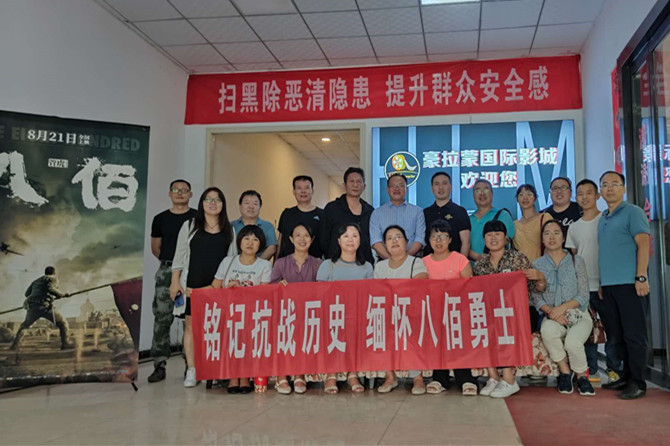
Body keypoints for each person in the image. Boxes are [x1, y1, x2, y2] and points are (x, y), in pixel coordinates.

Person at [170, 187, 236, 388]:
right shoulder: (190, 225)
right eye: (208, 199)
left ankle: (214, 368)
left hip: (218, 287)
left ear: (223, 204)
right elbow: (179, 256)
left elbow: (232, 260)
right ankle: (192, 369)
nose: (213, 203)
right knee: (191, 327)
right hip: (193, 284)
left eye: (217, 200)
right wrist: (175, 282)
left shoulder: (229, 229)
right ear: (202, 203)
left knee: (217, 327)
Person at [473, 220, 544, 398]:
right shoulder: (480, 265)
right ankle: (493, 377)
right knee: (481, 322)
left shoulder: (518, 259)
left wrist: (540, 278)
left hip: (519, 312)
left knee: (502, 325)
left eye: (498, 234)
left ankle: (509, 380)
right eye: (489, 234)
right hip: (490, 312)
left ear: (506, 238)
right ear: (484, 239)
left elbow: (533, 288)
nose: (493, 238)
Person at [597, 171, 650, 400]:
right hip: (609, 287)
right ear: (601, 190)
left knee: (634, 334)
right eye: (605, 184)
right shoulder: (604, 218)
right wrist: (602, 283)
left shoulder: (633, 212)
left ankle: (638, 382)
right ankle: (626, 377)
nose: (609, 188)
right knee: (617, 335)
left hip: (630, 284)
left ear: (624, 188)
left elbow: (644, 244)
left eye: (615, 184)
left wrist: (641, 277)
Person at [565, 179, 622, 383]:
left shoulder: (606, 220)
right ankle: (590, 369)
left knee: (612, 326)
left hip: (605, 284)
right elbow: (574, 257)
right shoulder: (574, 227)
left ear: (597, 196)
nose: (584, 197)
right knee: (586, 329)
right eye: (580, 194)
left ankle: (614, 368)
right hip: (583, 287)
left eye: (589, 193)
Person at [533, 220, 595, 396]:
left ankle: (582, 376)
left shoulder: (577, 261)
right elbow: (535, 297)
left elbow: (583, 294)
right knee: (548, 332)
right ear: (542, 239)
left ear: (563, 237)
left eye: (556, 233)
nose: (551, 237)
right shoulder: (537, 264)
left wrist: (561, 309)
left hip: (578, 315)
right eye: (547, 233)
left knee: (573, 342)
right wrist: (551, 312)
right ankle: (565, 372)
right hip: (552, 316)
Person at [212, 225, 272, 394]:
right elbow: (215, 287)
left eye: (255, 240)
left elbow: (264, 293)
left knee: (246, 333)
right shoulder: (227, 261)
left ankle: (245, 376)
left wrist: (242, 289)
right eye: (246, 238)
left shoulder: (264, 265)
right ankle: (233, 376)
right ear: (239, 242)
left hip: (253, 313)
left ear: (261, 244)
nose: (250, 243)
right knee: (230, 333)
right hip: (228, 312)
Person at [147, 179, 196, 383]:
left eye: (184, 190)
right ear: (169, 193)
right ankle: (159, 364)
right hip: (166, 271)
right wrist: (172, 265)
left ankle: (189, 365)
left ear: (191, 194)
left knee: (189, 320)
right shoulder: (160, 219)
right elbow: (155, 248)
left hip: (190, 272)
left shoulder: (197, 218)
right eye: (176, 190)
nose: (180, 193)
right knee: (162, 317)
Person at [316, 224, 374, 394]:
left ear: (360, 241)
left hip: (358, 315)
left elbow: (370, 295)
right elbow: (319, 294)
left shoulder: (367, 267)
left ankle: (352, 374)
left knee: (356, 328)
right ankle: (331, 374)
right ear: (339, 240)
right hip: (332, 315)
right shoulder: (327, 265)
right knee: (332, 327)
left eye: (354, 236)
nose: (350, 240)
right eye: (346, 236)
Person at [422, 221, 478, 396]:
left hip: (458, 312)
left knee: (458, 336)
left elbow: (469, 288)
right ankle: (440, 379)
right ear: (429, 240)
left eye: (443, 236)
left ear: (450, 239)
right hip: (434, 313)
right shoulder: (423, 263)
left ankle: (466, 379)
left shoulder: (460, 259)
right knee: (437, 334)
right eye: (434, 236)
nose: (438, 240)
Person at [373, 225, 429, 394]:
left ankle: (417, 378)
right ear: (385, 244)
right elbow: (377, 292)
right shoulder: (380, 266)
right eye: (389, 238)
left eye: (398, 237)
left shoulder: (416, 262)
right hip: (387, 313)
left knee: (410, 327)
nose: (394, 241)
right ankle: (390, 377)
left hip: (411, 312)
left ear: (406, 241)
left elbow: (420, 283)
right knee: (379, 328)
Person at [271, 223, 322, 395]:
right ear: (291, 239)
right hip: (285, 313)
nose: (302, 239)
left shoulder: (318, 264)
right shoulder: (280, 263)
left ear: (312, 240)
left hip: (309, 314)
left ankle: (300, 374)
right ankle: (282, 374)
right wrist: (278, 285)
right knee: (283, 331)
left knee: (305, 332)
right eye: (298, 235)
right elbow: (270, 288)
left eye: (306, 235)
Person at [320, 167, 374, 264]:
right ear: (345, 185)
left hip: (363, 264)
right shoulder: (332, 208)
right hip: (336, 263)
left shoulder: (370, 211)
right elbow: (324, 239)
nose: (355, 185)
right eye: (351, 181)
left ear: (364, 186)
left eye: (358, 181)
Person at [10, 266, 72, 351]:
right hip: (44, 307)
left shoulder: (36, 281)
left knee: (24, 326)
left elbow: (27, 294)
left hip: (32, 307)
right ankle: (65, 344)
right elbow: (51, 289)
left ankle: (15, 346)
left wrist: (40, 293)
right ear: (54, 273)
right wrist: (62, 295)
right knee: (63, 323)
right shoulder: (52, 278)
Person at [370, 174, 425, 260]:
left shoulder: (418, 212)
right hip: (385, 261)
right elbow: (376, 241)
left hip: (412, 260)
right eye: (393, 186)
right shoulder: (376, 213)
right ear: (387, 190)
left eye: (400, 185)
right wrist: (391, 260)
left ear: (406, 189)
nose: (396, 189)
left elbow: (420, 239)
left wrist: (405, 259)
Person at [423, 172, 470, 258]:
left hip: (454, 261)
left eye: (444, 183)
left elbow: (465, 242)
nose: (441, 187)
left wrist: (461, 263)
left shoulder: (460, 211)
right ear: (432, 188)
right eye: (437, 184)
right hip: (429, 262)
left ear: (450, 187)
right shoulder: (425, 213)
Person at [277, 175, 324, 259]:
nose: (303, 191)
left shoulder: (322, 215)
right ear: (294, 191)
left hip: (314, 264)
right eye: (299, 188)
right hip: (287, 264)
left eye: (307, 188)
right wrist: (276, 262)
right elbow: (280, 241)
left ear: (312, 191)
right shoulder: (287, 214)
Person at [469, 179, 515, 261]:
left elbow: (506, 240)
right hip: (472, 267)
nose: (482, 193)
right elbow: (463, 245)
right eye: (477, 190)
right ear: (473, 196)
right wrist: (477, 257)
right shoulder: (468, 219)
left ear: (492, 194)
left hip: (498, 266)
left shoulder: (503, 215)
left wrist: (490, 258)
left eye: (486, 189)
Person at [232, 190, 277, 260]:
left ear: (260, 207)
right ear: (240, 206)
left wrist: (257, 264)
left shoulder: (268, 226)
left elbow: (272, 248)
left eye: (255, 204)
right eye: (247, 203)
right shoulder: (231, 226)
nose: (251, 206)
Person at [513, 184, 552, 263]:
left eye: (529, 194)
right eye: (521, 195)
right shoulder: (514, 224)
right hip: (520, 267)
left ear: (535, 198)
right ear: (517, 199)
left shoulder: (544, 218)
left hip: (541, 266)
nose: (525, 198)